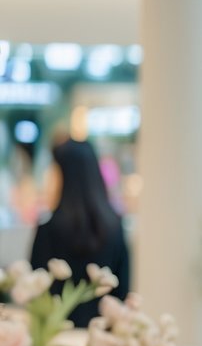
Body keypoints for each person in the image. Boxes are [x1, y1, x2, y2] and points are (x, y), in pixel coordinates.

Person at [30, 138, 130, 327]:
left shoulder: (48, 231)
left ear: (64, 177)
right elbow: (122, 295)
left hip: (55, 345)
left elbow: (35, 296)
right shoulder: (115, 228)